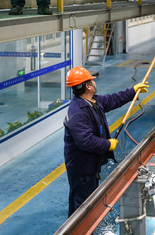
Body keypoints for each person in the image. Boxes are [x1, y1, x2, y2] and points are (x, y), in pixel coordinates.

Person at [63, 66, 149, 217]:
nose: (94, 82)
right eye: (91, 80)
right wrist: (108, 144)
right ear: (88, 86)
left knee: (85, 199)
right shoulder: (78, 112)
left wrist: (133, 91)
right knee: (82, 205)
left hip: (89, 164)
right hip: (82, 168)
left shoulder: (92, 101)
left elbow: (113, 100)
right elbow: (85, 141)